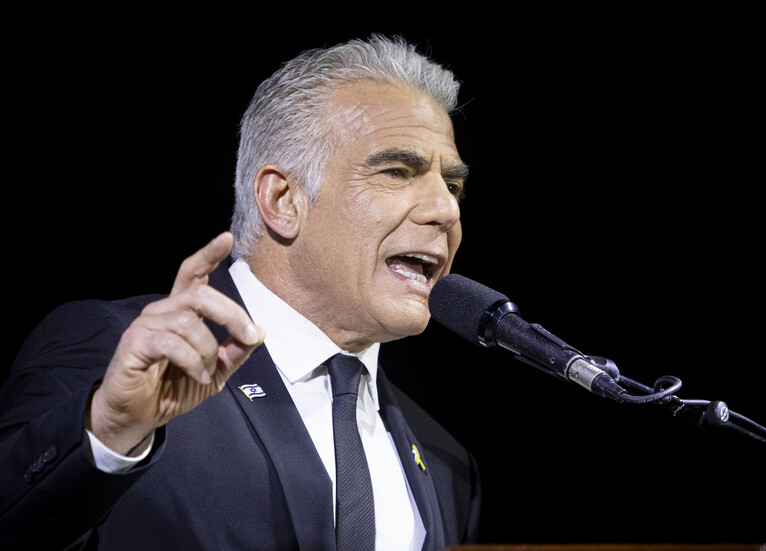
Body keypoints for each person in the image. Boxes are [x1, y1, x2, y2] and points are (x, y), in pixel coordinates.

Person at [0, 34, 480, 550]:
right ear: (283, 199)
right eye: (397, 172)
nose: (446, 210)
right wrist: (108, 430)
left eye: (453, 187)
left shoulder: (447, 464)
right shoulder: (119, 357)